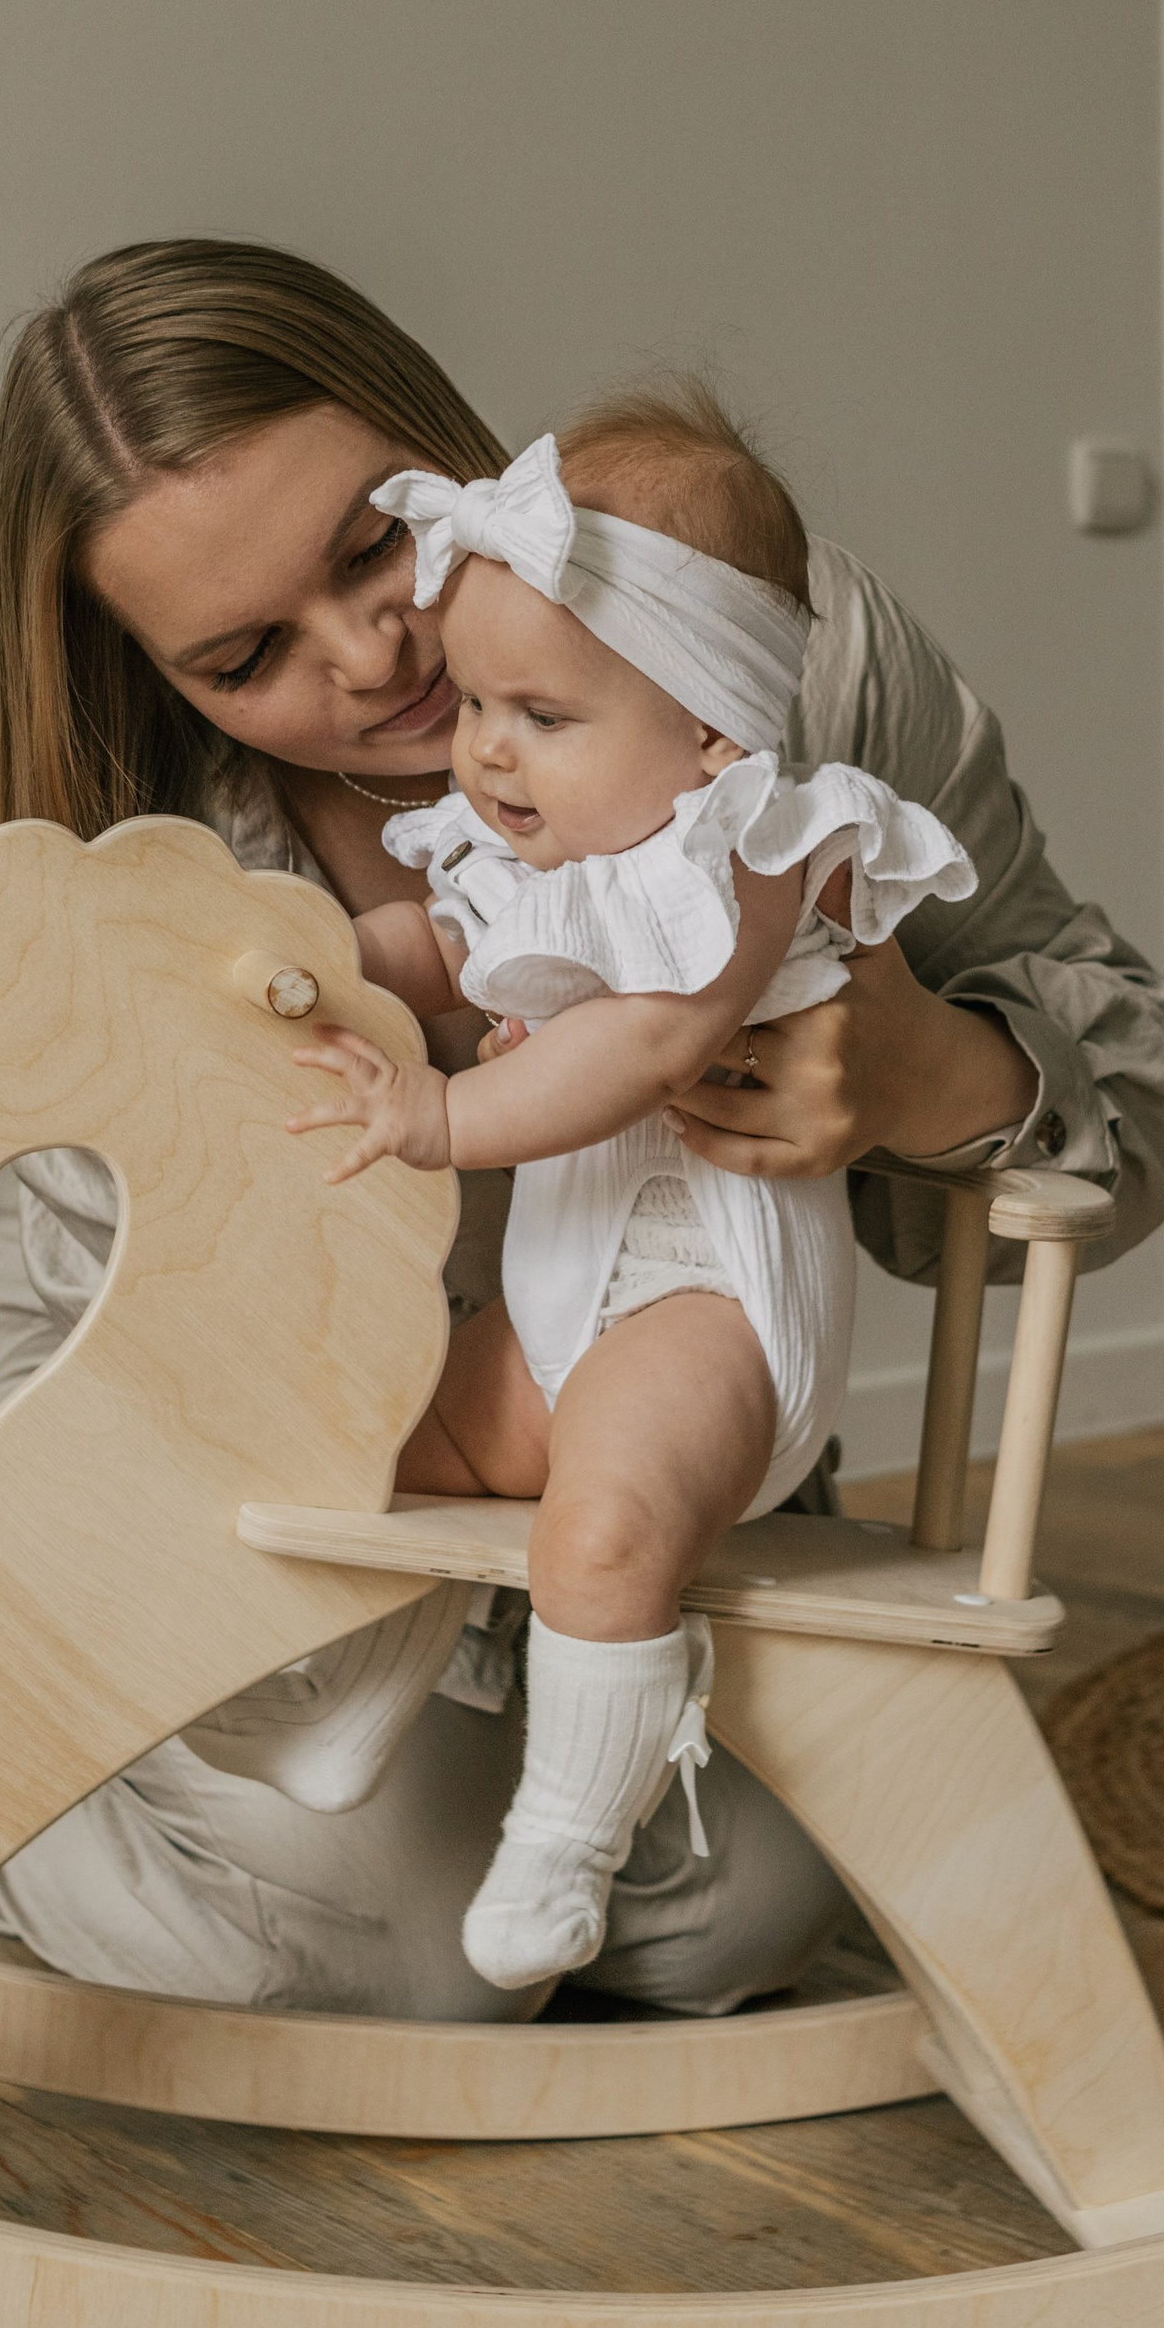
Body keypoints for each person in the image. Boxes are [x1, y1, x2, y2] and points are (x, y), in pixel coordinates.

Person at [0, 236, 1164, 2023]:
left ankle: (500, 1821)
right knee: (407, 1950)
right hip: (308, 1538)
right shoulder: (152, 868)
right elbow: (78, 1377)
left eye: (376, 543)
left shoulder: (757, 631)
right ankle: (42, 1799)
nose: (374, 653)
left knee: (728, 1912)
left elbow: (1153, 1095)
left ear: (439, 444)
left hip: (654, 1472)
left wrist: (939, 1077)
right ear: (160, 686)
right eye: (246, 656)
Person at [289, 395, 976, 1988]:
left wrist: (444, 1112)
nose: (485, 748)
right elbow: (444, 949)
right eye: (477, 703)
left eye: (540, 711)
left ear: (713, 730)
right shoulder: (538, 843)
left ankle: (567, 1838)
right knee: (372, 1437)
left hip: (703, 1308)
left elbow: (642, 1039)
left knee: (600, 1536)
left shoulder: (747, 855)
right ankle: (366, 1707)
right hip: (558, 1308)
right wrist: (326, 962)